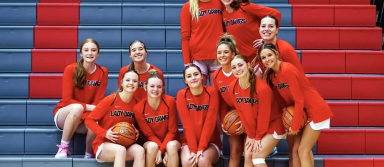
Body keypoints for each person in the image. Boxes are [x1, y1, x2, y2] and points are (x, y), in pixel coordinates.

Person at [259, 43, 333, 167]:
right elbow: (284, 103)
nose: (267, 59)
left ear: (276, 54)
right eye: (263, 57)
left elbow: (299, 100)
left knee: (302, 151)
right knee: (302, 151)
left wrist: (294, 125)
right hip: (303, 112)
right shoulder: (272, 76)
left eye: (269, 55)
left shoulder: (287, 70)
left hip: (316, 110)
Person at [53, 38, 108, 159]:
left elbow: (98, 101)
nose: (90, 53)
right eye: (86, 50)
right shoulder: (71, 69)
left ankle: (89, 154)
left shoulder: (103, 72)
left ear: (98, 54)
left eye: (93, 50)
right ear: (81, 53)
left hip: (84, 117)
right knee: (77, 108)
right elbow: (67, 101)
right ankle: (63, 148)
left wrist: (86, 117)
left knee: (97, 121)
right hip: (65, 114)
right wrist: (88, 109)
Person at [228, 55, 286, 167]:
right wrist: (251, 134)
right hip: (255, 128)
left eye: (240, 65)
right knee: (248, 159)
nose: (237, 69)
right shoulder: (232, 87)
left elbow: (263, 115)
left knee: (257, 158)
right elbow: (241, 112)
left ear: (249, 65)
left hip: (273, 124)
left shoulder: (262, 88)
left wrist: (257, 137)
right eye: (234, 67)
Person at [85, 69, 145, 167]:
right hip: (104, 144)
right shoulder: (109, 100)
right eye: (128, 80)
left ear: (138, 84)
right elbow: (89, 120)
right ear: (122, 82)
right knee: (120, 151)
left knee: (140, 151)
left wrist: (136, 130)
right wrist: (105, 133)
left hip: (125, 143)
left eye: (135, 81)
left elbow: (139, 124)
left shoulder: (138, 104)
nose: (131, 83)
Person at [133, 69, 181, 167]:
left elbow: (172, 131)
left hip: (171, 141)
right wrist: (161, 149)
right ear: (145, 87)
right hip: (151, 142)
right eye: (152, 86)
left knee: (171, 146)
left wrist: (162, 150)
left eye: (159, 87)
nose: (155, 89)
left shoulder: (170, 101)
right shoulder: (138, 108)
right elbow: (149, 135)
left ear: (163, 89)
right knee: (152, 146)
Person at [177, 64, 222, 167]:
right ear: (185, 80)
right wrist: (193, 150)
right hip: (189, 142)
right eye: (189, 76)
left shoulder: (211, 92)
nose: (193, 78)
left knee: (202, 160)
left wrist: (201, 148)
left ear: (202, 76)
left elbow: (210, 123)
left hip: (211, 142)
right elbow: (187, 125)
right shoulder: (182, 94)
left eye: (196, 74)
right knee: (188, 162)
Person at [221, 0, 281, 77]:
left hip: (258, 59)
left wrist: (268, 38)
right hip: (242, 61)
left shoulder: (246, 7)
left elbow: (275, 14)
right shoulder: (223, 14)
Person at [212, 33, 243, 167]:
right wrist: (225, 119)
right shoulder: (216, 75)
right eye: (219, 52)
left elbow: (251, 99)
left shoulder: (241, 71)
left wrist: (245, 119)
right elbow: (222, 101)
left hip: (249, 115)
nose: (222, 55)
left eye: (226, 52)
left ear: (233, 54)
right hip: (234, 117)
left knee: (250, 154)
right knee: (235, 152)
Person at [180, 0, 224, 85]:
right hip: (198, 57)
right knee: (199, 92)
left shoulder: (219, 3)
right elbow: (185, 36)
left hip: (218, 56)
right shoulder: (188, 6)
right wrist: (187, 62)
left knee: (217, 93)